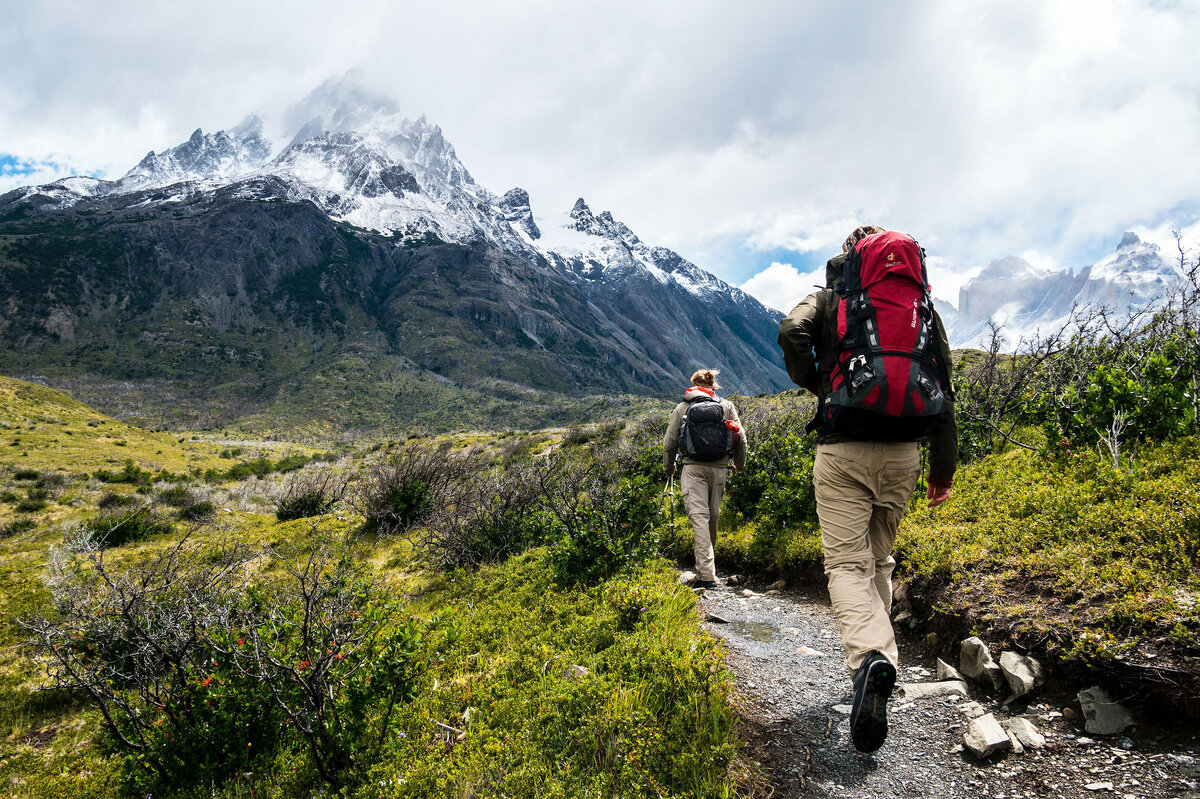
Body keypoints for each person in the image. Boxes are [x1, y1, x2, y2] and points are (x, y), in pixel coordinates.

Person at [777, 225, 957, 754]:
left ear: (852, 256)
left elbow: (791, 332)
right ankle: (879, 664)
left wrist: (816, 381)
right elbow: (944, 385)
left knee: (846, 565)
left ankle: (870, 660)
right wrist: (942, 471)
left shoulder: (833, 297)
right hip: (905, 453)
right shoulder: (921, 307)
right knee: (879, 561)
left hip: (843, 448)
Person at [662, 369, 748, 590]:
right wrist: (739, 464)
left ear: (693, 384)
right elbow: (741, 438)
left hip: (693, 469)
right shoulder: (726, 406)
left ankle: (707, 575)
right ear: (713, 386)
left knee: (699, 517)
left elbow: (670, 442)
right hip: (719, 468)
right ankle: (706, 570)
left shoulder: (683, 407)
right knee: (712, 517)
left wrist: (669, 467)